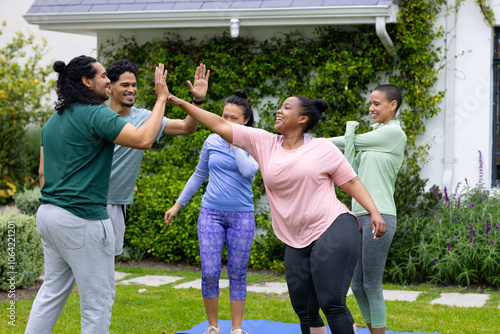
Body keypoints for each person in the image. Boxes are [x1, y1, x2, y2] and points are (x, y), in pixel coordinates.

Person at [165, 89, 387, 334]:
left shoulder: (323, 149)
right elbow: (218, 123)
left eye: (287, 107)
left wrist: (373, 212)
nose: (279, 110)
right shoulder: (264, 142)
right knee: (304, 307)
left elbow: (351, 182)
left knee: (331, 303)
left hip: (333, 227)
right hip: (295, 237)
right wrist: (181, 102)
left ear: (302, 119)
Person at [25, 55, 171, 334]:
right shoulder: (97, 113)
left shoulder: (53, 121)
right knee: (98, 301)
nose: (108, 80)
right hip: (82, 219)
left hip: (48, 215)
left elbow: (43, 174)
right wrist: (161, 99)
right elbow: (143, 140)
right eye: (104, 76)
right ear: (86, 81)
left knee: (51, 293)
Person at [164, 89, 258, 334]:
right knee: (209, 272)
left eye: (233, 118)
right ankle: (213, 326)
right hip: (211, 214)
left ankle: (236, 328)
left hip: (242, 216)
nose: (225, 122)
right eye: (223, 116)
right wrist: (177, 205)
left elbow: (249, 171)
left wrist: (234, 142)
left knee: (237, 273)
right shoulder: (211, 141)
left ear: (246, 120)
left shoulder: (255, 140)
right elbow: (198, 175)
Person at [106, 59, 209, 259]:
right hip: (89, 200)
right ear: (109, 87)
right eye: (125, 85)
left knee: (110, 262)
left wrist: (198, 102)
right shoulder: (97, 115)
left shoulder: (144, 117)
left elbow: (188, 127)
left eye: (134, 85)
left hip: (116, 202)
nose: (131, 90)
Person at [328, 84, 406, 334]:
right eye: (370, 103)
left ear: (392, 105)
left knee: (372, 284)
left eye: (376, 104)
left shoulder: (394, 134)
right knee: (358, 285)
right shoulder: (374, 136)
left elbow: (350, 141)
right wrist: (347, 136)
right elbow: (349, 163)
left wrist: (308, 142)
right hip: (358, 215)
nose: (371, 108)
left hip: (380, 215)